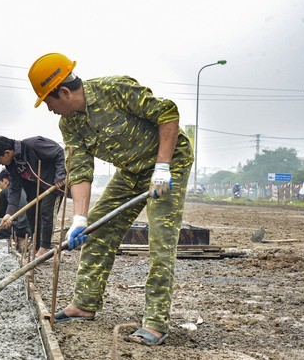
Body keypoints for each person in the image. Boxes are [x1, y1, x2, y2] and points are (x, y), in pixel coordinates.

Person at [28, 52, 193, 346]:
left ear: (64, 92)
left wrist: (163, 166)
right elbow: (79, 170)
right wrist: (79, 219)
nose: (49, 109)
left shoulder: (115, 89)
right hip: (131, 171)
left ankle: (155, 323)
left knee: (160, 239)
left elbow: (167, 114)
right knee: (98, 229)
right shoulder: (70, 124)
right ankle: (84, 304)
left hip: (168, 163)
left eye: (49, 102)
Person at [0, 135, 66, 256]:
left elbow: (59, 151)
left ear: (6, 153)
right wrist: (9, 213)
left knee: (45, 212)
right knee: (31, 213)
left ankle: (44, 248)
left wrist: (60, 174)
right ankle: (36, 245)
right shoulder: (11, 165)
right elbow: (14, 188)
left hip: (52, 184)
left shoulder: (32, 145)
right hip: (35, 190)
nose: (0, 164)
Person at [0, 168, 31, 243]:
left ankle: (18, 238)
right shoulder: (26, 188)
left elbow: (2, 217)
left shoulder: (5, 192)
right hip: (33, 227)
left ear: (5, 181)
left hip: (21, 229)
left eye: (1, 185)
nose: (1, 188)